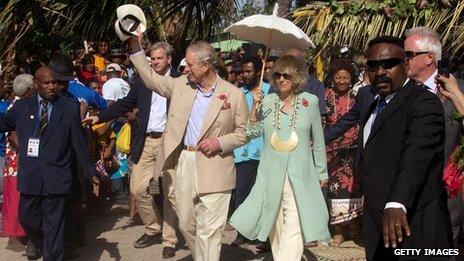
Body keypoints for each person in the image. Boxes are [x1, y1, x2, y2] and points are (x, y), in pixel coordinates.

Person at [128, 34, 248, 261]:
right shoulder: (181, 85)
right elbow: (152, 79)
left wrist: (220, 142)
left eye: (190, 64)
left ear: (206, 65)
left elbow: (244, 132)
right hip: (185, 162)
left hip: (216, 167)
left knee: (209, 231)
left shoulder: (233, 94)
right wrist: (136, 45)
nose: (185, 69)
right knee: (186, 224)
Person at [84, 42, 182, 259]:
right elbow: (125, 104)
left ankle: (169, 239)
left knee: (169, 193)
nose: (155, 62)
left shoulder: (180, 81)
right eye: (152, 58)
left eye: (159, 58)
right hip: (145, 142)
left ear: (169, 59)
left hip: (170, 144)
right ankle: (154, 227)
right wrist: (99, 116)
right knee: (137, 190)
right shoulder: (141, 81)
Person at [360, 36, 453, 260]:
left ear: (405, 65)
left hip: (416, 229)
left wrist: (397, 203)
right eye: (373, 66)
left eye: (389, 64)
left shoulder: (423, 102)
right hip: (379, 232)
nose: (380, 71)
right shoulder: (372, 105)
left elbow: (416, 155)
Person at [230, 55, 330, 261]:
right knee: (275, 222)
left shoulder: (309, 102)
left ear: (297, 78)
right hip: (270, 172)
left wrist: (322, 171)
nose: (282, 79)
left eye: (287, 75)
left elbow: (318, 141)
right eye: (278, 75)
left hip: (300, 173)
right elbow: (252, 133)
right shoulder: (267, 100)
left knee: (294, 222)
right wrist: (254, 110)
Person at [0, 66, 99, 261]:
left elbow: (79, 142)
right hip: (31, 176)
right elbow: (3, 124)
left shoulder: (69, 108)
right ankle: (49, 245)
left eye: (54, 82)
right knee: (27, 219)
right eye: (46, 83)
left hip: (58, 176)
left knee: (54, 225)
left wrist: (90, 172)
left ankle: (53, 252)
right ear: (36, 85)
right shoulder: (21, 107)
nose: (52, 86)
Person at [404, 26, 464, 249]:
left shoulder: (456, 90)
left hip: (449, 198)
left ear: (429, 58)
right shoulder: (400, 95)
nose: (404, 60)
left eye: (409, 55)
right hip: (410, 198)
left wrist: (458, 97)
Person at [231, 56, 271, 247]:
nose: (244, 75)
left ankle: (264, 236)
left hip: (264, 152)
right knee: (243, 193)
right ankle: (242, 232)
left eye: (248, 71)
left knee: (264, 196)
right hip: (242, 153)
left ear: (258, 72)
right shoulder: (238, 93)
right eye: (242, 71)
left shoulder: (271, 92)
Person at [324, 59, 362, 247]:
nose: (341, 81)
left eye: (345, 77)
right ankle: (338, 231)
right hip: (330, 151)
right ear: (332, 78)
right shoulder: (323, 97)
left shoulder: (357, 98)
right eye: (338, 77)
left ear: (351, 79)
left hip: (352, 151)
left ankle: (354, 226)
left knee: (353, 188)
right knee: (336, 190)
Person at [2, 74, 33, 253]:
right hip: (18, 162)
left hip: (15, 162)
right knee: (17, 198)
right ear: (29, 91)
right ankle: (16, 237)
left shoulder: (15, 105)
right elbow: (13, 136)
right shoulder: (18, 107)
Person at [269, 49, 327, 116]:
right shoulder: (276, 85)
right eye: (287, 60)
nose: (281, 79)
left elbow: (319, 115)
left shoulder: (316, 86)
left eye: (293, 61)